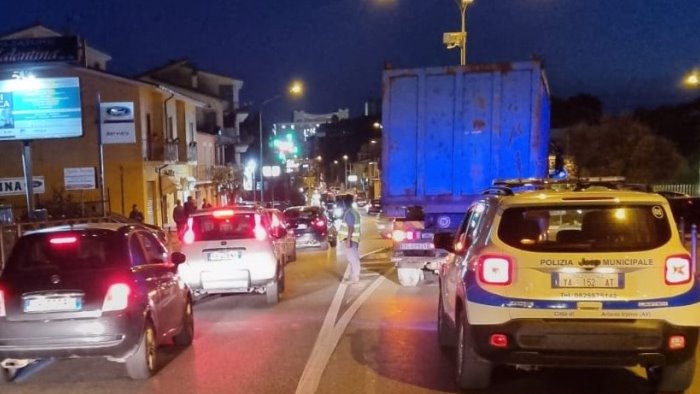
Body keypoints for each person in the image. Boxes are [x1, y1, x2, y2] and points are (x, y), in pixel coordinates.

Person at [337, 193, 361, 284]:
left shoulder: (349, 213)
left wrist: (348, 240)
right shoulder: (354, 212)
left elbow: (351, 227)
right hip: (354, 239)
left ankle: (354, 277)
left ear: (344, 203)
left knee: (352, 258)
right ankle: (352, 276)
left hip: (351, 239)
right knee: (353, 258)